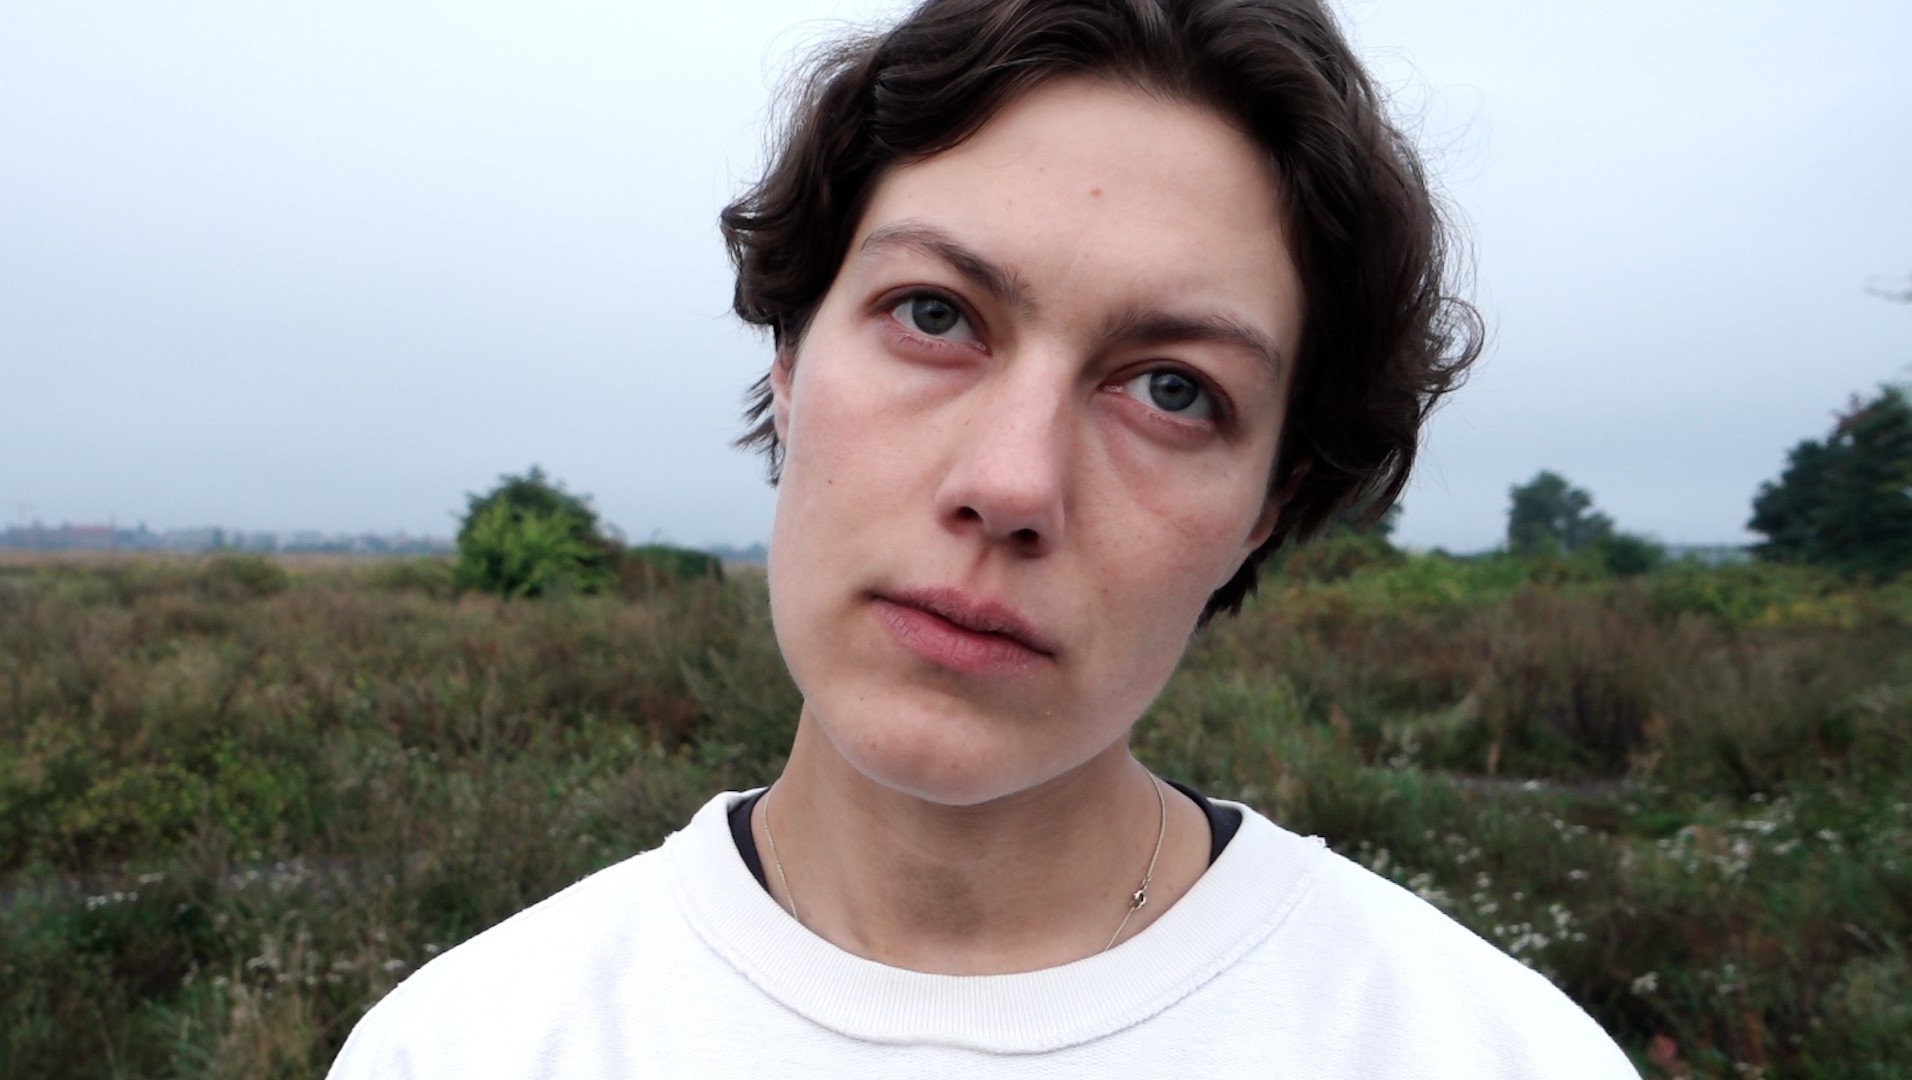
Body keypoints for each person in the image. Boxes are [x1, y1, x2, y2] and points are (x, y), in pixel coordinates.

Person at [330, 0, 1640, 1075]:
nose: (1011, 485)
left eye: (1174, 389)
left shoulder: (1488, 1053)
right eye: (936, 315)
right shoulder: (462, 1046)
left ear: (1273, 509)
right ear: (790, 356)